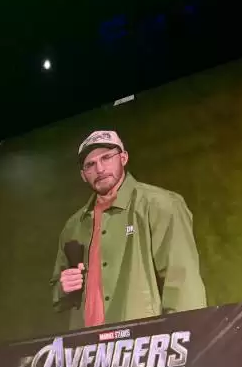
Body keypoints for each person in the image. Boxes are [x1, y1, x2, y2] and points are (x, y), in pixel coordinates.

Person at [51, 130, 207, 330]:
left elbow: (182, 280)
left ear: (123, 158)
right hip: (87, 343)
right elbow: (58, 294)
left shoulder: (160, 205)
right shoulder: (73, 225)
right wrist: (63, 288)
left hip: (142, 341)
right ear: (83, 175)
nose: (99, 168)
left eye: (106, 157)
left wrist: (187, 335)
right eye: (90, 164)